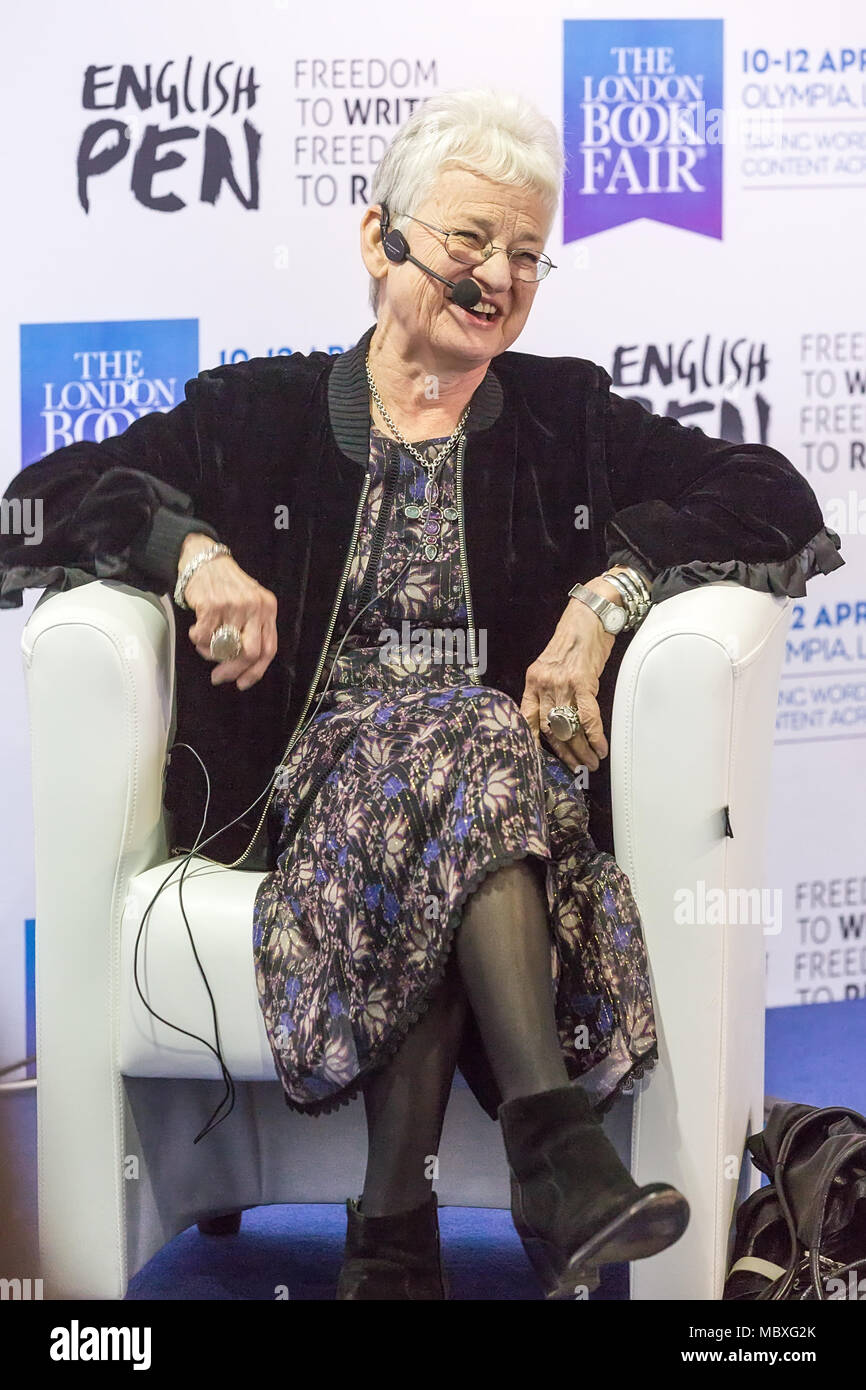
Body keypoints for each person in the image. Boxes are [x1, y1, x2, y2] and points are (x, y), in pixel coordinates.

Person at [0, 89, 843, 1301]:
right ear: (376, 239)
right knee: (469, 731)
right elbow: (50, 488)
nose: (497, 275)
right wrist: (196, 554)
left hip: (506, 812)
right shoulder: (262, 415)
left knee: (471, 748)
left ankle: (391, 1239)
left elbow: (768, 490)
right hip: (319, 806)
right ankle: (547, 1152)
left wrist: (608, 595)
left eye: (525, 253)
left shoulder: (562, 415)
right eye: (467, 241)